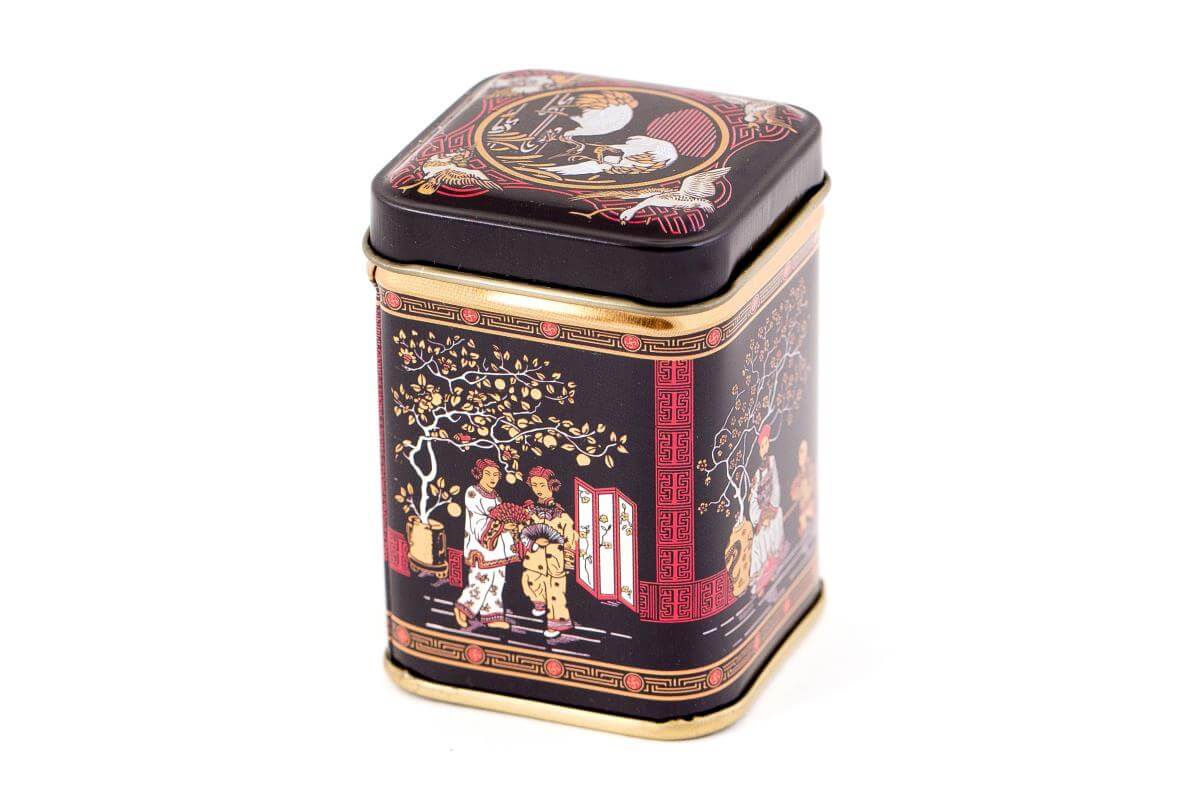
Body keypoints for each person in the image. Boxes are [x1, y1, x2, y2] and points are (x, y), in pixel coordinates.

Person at [454, 461, 518, 629]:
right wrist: (502, 526)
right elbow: (477, 520)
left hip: (498, 548)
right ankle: (463, 608)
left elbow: (499, 517)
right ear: (480, 474)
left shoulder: (495, 496)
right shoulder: (473, 493)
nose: (492, 478)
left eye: (496, 475)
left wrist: (508, 527)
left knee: (497, 581)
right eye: (488, 474)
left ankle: (491, 616)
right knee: (481, 581)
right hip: (482, 547)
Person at [749, 424, 785, 595]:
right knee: (760, 540)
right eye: (762, 445)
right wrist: (761, 517)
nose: (765, 447)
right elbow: (752, 503)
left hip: (772, 511)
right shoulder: (756, 475)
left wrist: (773, 508)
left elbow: (776, 485)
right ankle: (760, 581)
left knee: (777, 520)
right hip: (761, 518)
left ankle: (775, 565)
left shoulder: (772, 461)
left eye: (766, 443)